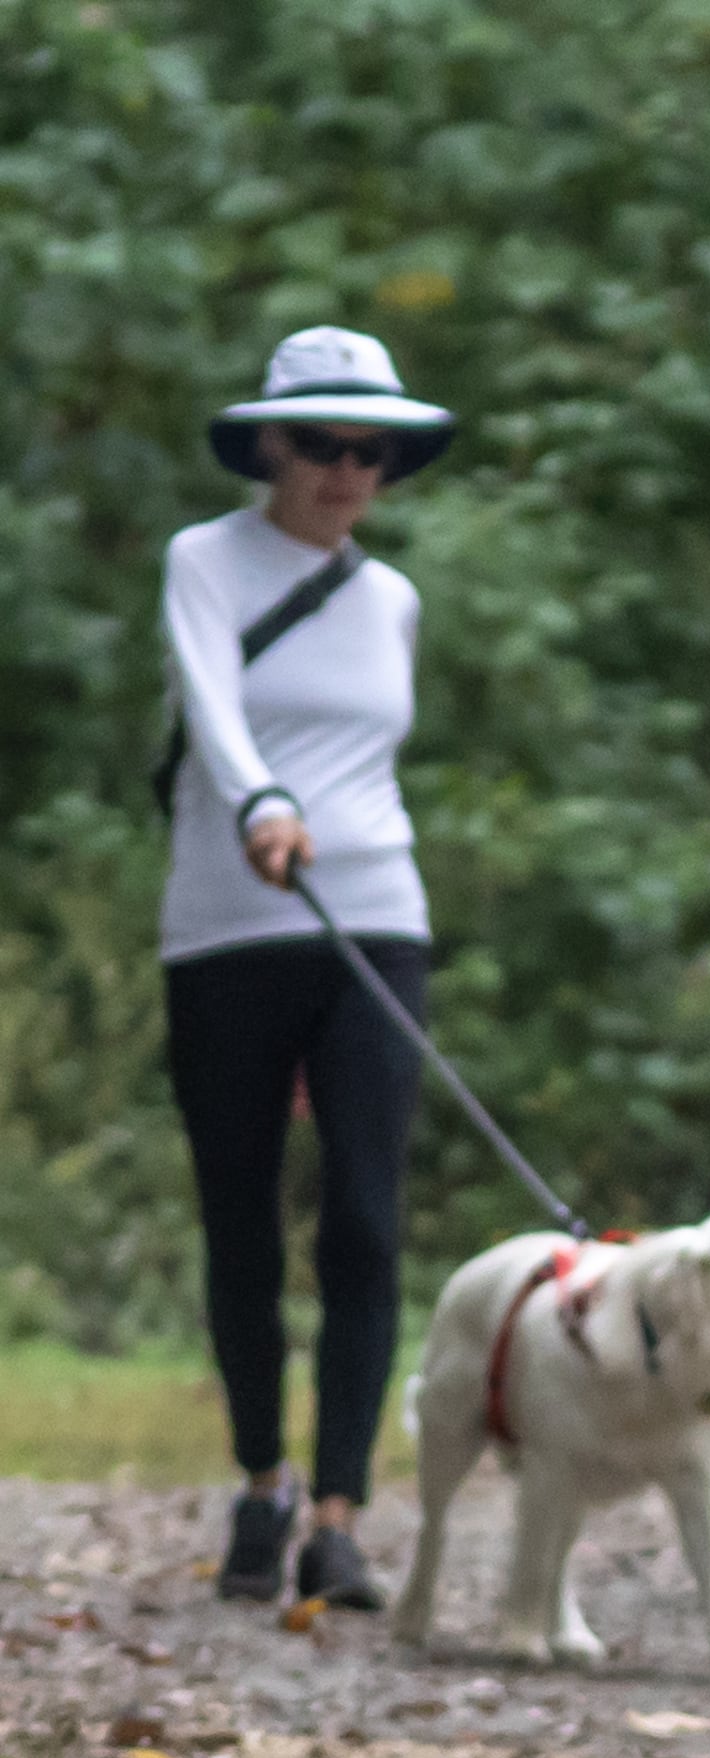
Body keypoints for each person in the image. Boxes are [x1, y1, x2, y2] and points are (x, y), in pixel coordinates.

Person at [166, 326, 458, 1612]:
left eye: (370, 448)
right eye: (322, 444)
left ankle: (340, 1509)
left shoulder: (389, 598)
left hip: (374, 913)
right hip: (231, 918)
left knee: (365, 1213)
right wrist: (263, 800)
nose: (346, 470)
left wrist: (319, 813)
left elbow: (375, 753)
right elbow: (212, 703)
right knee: (241, 1208)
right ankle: (262, 1476)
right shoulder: (205, 562)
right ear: (271, 445)